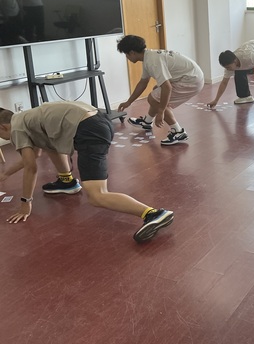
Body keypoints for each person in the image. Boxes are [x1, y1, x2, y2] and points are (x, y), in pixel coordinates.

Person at [0, 103, 174, 243]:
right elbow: (36, 153)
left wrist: (26, 203)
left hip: (89, 130)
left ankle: (153, 214)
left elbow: (30, 167)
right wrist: (6, 174)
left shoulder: (17, 129)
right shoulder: (26, 117)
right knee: (49, 145)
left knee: (97, 196)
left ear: (2, 127)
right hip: (99, 119)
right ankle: (67, 181)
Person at [116, 35, 204, 146]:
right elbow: (143, 83)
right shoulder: (148, 56)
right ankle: (147, 122)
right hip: (191, 76)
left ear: (132, 52)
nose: (127, 57)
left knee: (153, 98)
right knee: (155, 92)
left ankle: (178, 132)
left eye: (126, 54)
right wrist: (129, 102)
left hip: (191, 80)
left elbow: (167, 87)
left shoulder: (152, 61)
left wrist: (161, 112)